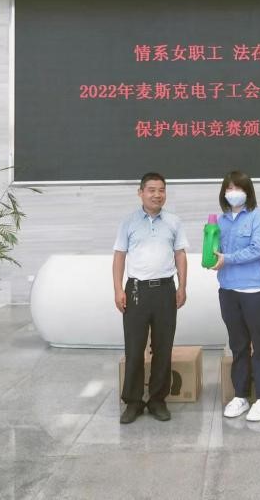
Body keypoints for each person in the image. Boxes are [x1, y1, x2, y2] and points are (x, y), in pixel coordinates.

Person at [113, 172, 188, 424]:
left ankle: (157, 400)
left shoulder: (174, 222)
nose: (157, 195)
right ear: (141, 192)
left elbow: (180, 255)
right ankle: (133, 401)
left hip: (165, 290)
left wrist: (182, 286)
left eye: (161, 190)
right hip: (136, 290)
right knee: (134, 349)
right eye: (152, 190)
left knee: (163, 348)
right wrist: (118, 289)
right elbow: (119, 257)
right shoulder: (128, 222)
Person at [211, 170, 260, 422]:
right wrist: (211, 254)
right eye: (229, 188)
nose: (233, 193)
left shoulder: (259, 217)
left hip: (254, 290)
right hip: (228, 290)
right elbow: (216, 251)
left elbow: (258, 249)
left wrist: (227, 259)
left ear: (248, 192)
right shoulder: (220, 221)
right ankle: (240, 395)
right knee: (237, 345)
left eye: (238, 188)